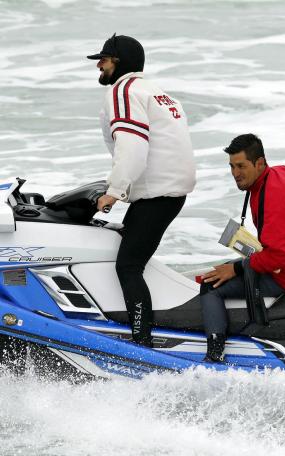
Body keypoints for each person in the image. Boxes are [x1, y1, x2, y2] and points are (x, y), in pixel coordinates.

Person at [87, 34, 196, 347]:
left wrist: (115, 191)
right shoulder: (157, 92)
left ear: (118, 63)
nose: (99, 65)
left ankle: (142, 340)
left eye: (103, 59)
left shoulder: (124, 89)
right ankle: (133, 322)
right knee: (126, 251)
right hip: (169, 193)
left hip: (157, 195)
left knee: (128, 266)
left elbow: (133, 145)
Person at [200, 134, 285, 362]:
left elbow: (278, 256)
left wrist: (237, 269)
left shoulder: (273, 195)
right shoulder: (281, 173)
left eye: (241, 166)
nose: (235, 174)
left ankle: (214, 355)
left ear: (260, 163)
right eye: (231, 166)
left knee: (210, 287)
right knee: (229, 268)